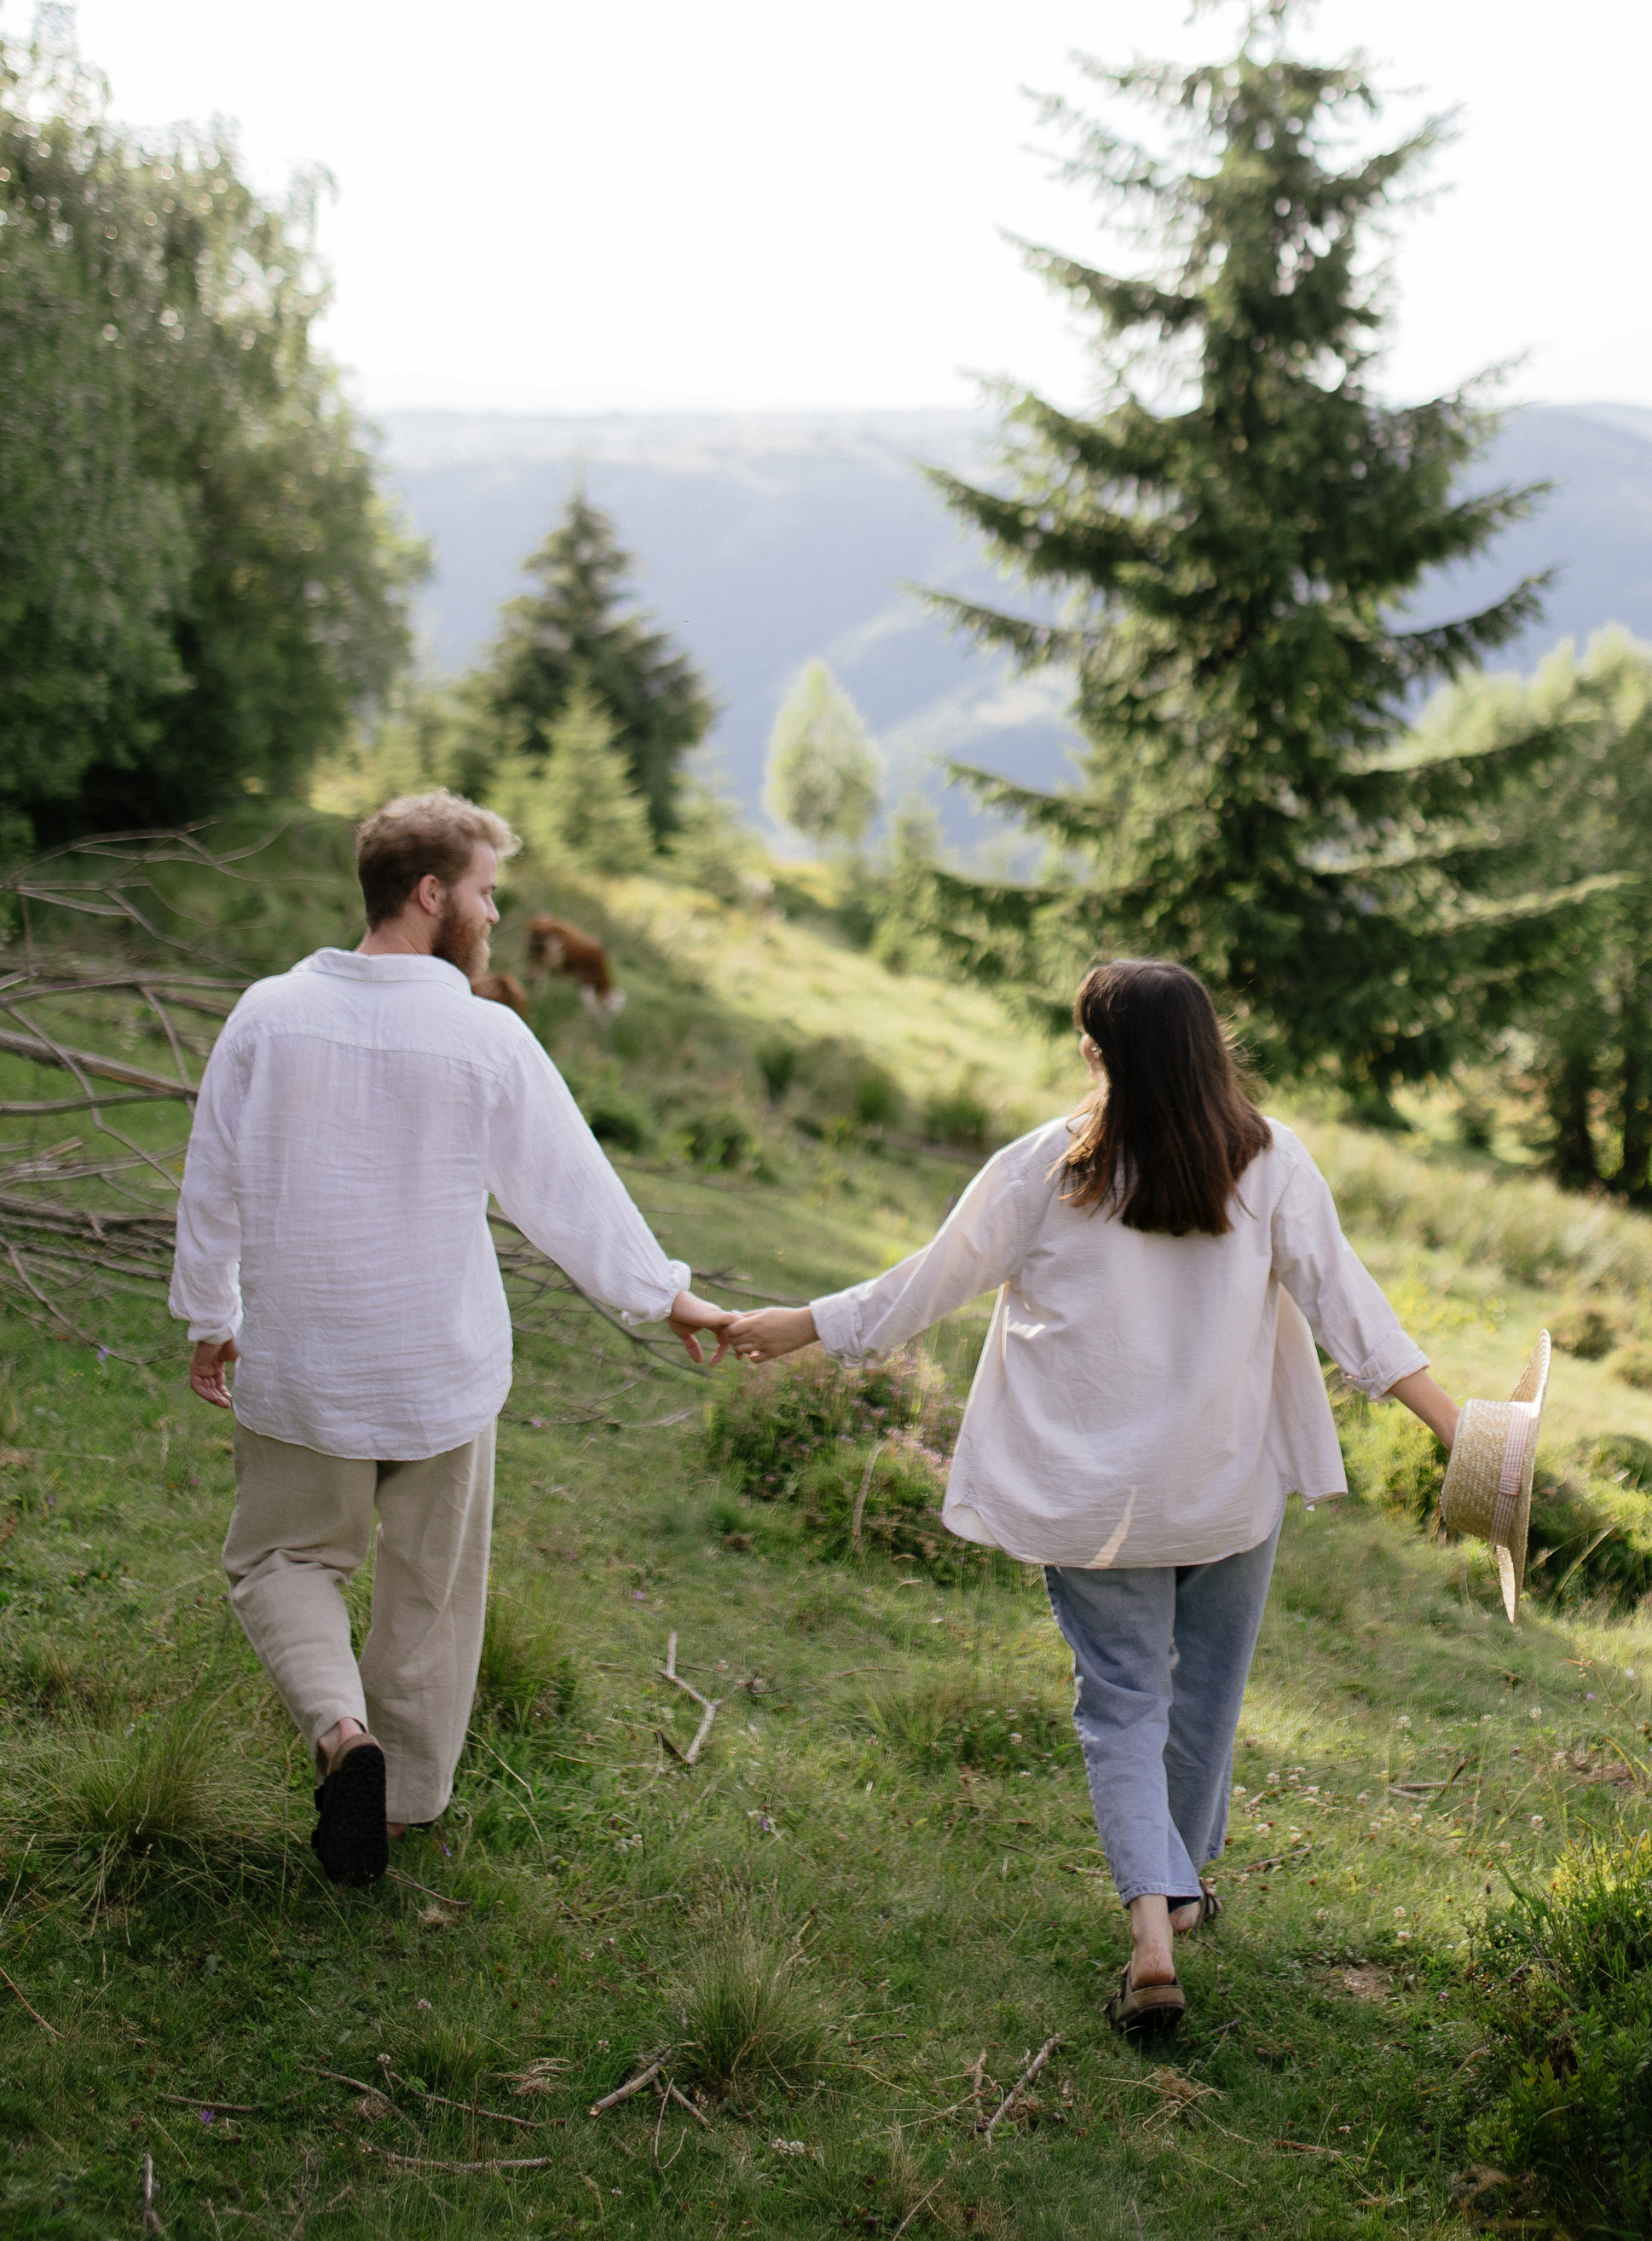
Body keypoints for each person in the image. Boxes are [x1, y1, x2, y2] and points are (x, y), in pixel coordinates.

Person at [722, 954, 1463, 2035]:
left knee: (1124, 1703)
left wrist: (797, 1325)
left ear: (1097, 1052)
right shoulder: (1268, 1161)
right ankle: (1183, 1885)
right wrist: (1463, 1435)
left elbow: (924, 1285)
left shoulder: (1047, 1168)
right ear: (1209, 1048)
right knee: (1205, 1692)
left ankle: (1152, 1940)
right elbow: (1355, 1315)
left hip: (1092, 1499)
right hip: (1223, 1490)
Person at [170, 789, 734, 1886]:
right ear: (432, 895)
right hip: (440, 1369)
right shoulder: (487, 1035)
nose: (493, 912)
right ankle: (396, 1813)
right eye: (484, 892)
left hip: (305, 1360)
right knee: (429, 1594)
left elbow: (211, 1179)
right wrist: (667, 1296)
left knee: (283, 1558)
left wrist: (212, 1315)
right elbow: (570, 1191)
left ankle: (342, 1736)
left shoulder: (268, 1012)